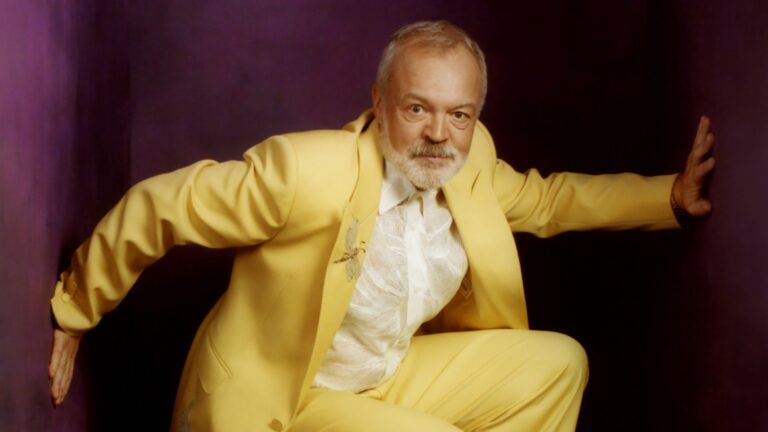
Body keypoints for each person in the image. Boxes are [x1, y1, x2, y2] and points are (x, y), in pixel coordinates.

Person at [48, 21, 715, 431]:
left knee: (559, 364)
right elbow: (165, 205)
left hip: (383, 374)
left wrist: (670, 198)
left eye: (460, 113)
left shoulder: (471, 158)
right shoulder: (306, 171)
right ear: (379, 103)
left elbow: (548, 201)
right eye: (418, 107)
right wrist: (77, 308)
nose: (438, 134)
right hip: (288, 393)